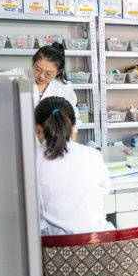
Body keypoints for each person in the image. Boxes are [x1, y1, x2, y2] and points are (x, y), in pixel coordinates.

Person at [35, 96, 113, 235]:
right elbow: (103, 191)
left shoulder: (31, 160)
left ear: (38, 129)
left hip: (54, 246)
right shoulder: (92, 155)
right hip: (97, 242)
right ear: (73, 127)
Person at [32, 43, 80, 123]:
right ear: (34, 63)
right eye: (38, 69)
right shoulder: (20, 80)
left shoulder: (64, 88)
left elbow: (73, 118)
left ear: (58, 72)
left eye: (48, 74)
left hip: (54, 131)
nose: (41, 76)